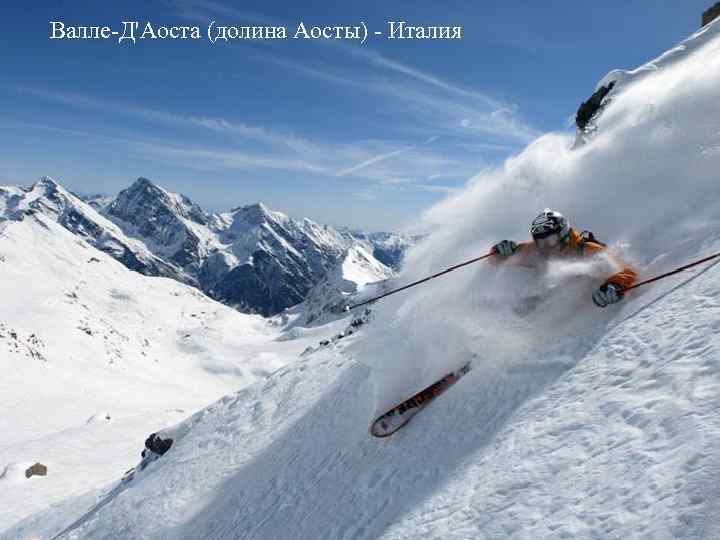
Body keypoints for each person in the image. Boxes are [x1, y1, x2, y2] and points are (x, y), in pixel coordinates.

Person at [491, 209, 636, 307]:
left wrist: (614, 286)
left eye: (552, 240)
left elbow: (628, 272)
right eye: (541, 242)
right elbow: (496, 260)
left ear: (564, 234)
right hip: (538, 305)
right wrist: (500, 251)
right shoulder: (538, 250)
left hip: (577, 307)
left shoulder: (586, 250)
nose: (547, 246)